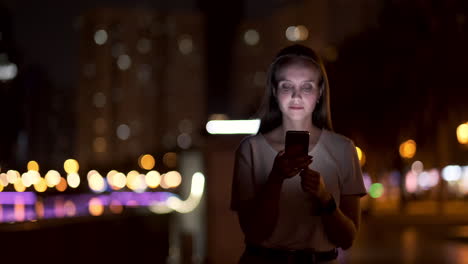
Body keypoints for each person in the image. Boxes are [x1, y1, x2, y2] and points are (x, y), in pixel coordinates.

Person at [230, 44, 367, 264]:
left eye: (307, 87)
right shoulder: (251, 150)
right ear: (274, 91)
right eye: (286, 86)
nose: (296, 96)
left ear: (320, 92)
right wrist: (275, 179)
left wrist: (324, 198)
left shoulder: (343, 150)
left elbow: (347, 239)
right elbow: (255, 233)